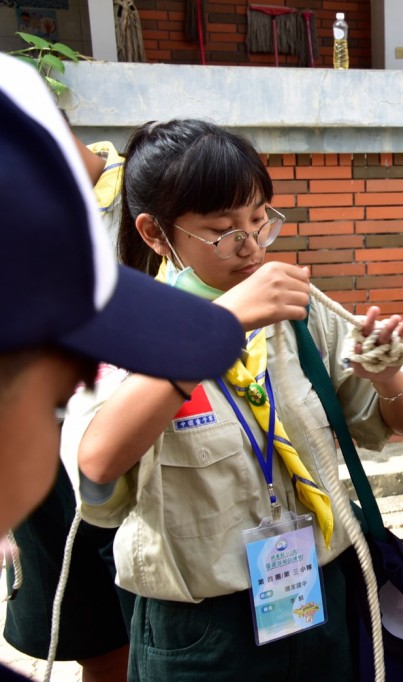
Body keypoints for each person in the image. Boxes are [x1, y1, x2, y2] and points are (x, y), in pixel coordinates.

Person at [59, 118, 403, 681]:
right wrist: (218, 326)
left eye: (259, 220)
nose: (251, 247)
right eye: (223, 230)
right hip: (206, 634)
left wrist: (387, 375)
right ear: (156, 235)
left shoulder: (295, 316)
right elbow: (98, 466)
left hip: (315, 602)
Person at [0, 56, 243, 681]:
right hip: (68, 443)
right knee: (93, 631)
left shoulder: (143, 185)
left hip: (131, 432)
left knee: (132, 609)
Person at [4, 136, 132, 682]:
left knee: (165, 619)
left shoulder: (147, 183)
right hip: (40, 445)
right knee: (95, 640)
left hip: (146, 433)